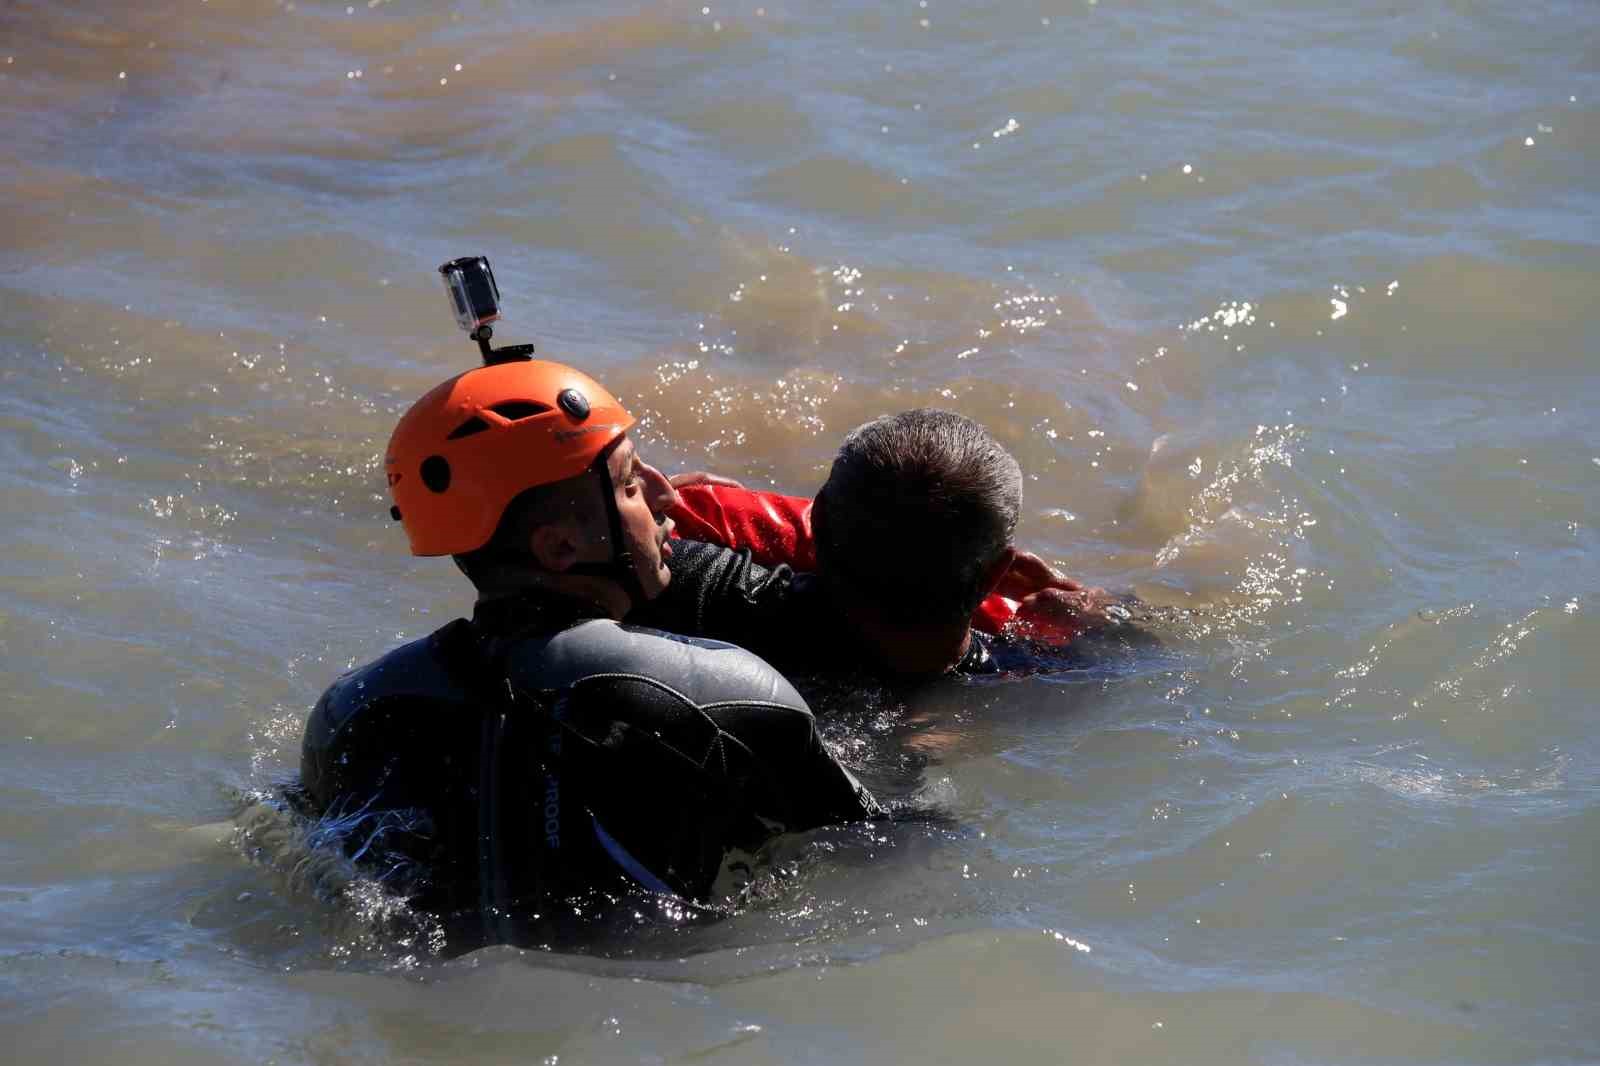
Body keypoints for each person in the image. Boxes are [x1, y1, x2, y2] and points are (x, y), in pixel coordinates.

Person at [297, 357, 879, 947]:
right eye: (629, 483)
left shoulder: (352, 711)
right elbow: (887, 851)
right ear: (560, 547)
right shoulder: (721, 690)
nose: (666, 494)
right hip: (651, 1002)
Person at [632, 409, 1123, 678]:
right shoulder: (1038, 664)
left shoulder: (702, 574)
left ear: (815, 522)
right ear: (997, 573)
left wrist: (655, 503)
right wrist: (1109, 624)